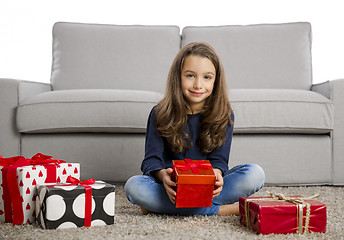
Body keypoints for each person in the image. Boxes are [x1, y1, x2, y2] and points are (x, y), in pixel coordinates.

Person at [124, 42, 265, 216]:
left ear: (216, 80)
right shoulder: (160, 113)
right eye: (190, 75)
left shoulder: (224, 114)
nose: (198, 85)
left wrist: (217, 174)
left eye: (207, 77)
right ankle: (221, 210)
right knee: (134, 187)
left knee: (255, 174)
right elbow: (151, 161)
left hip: (206, 187)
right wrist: (163, 176)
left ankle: (158, 206)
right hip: (171, 188)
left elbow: (220, 161)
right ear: (178, 77)